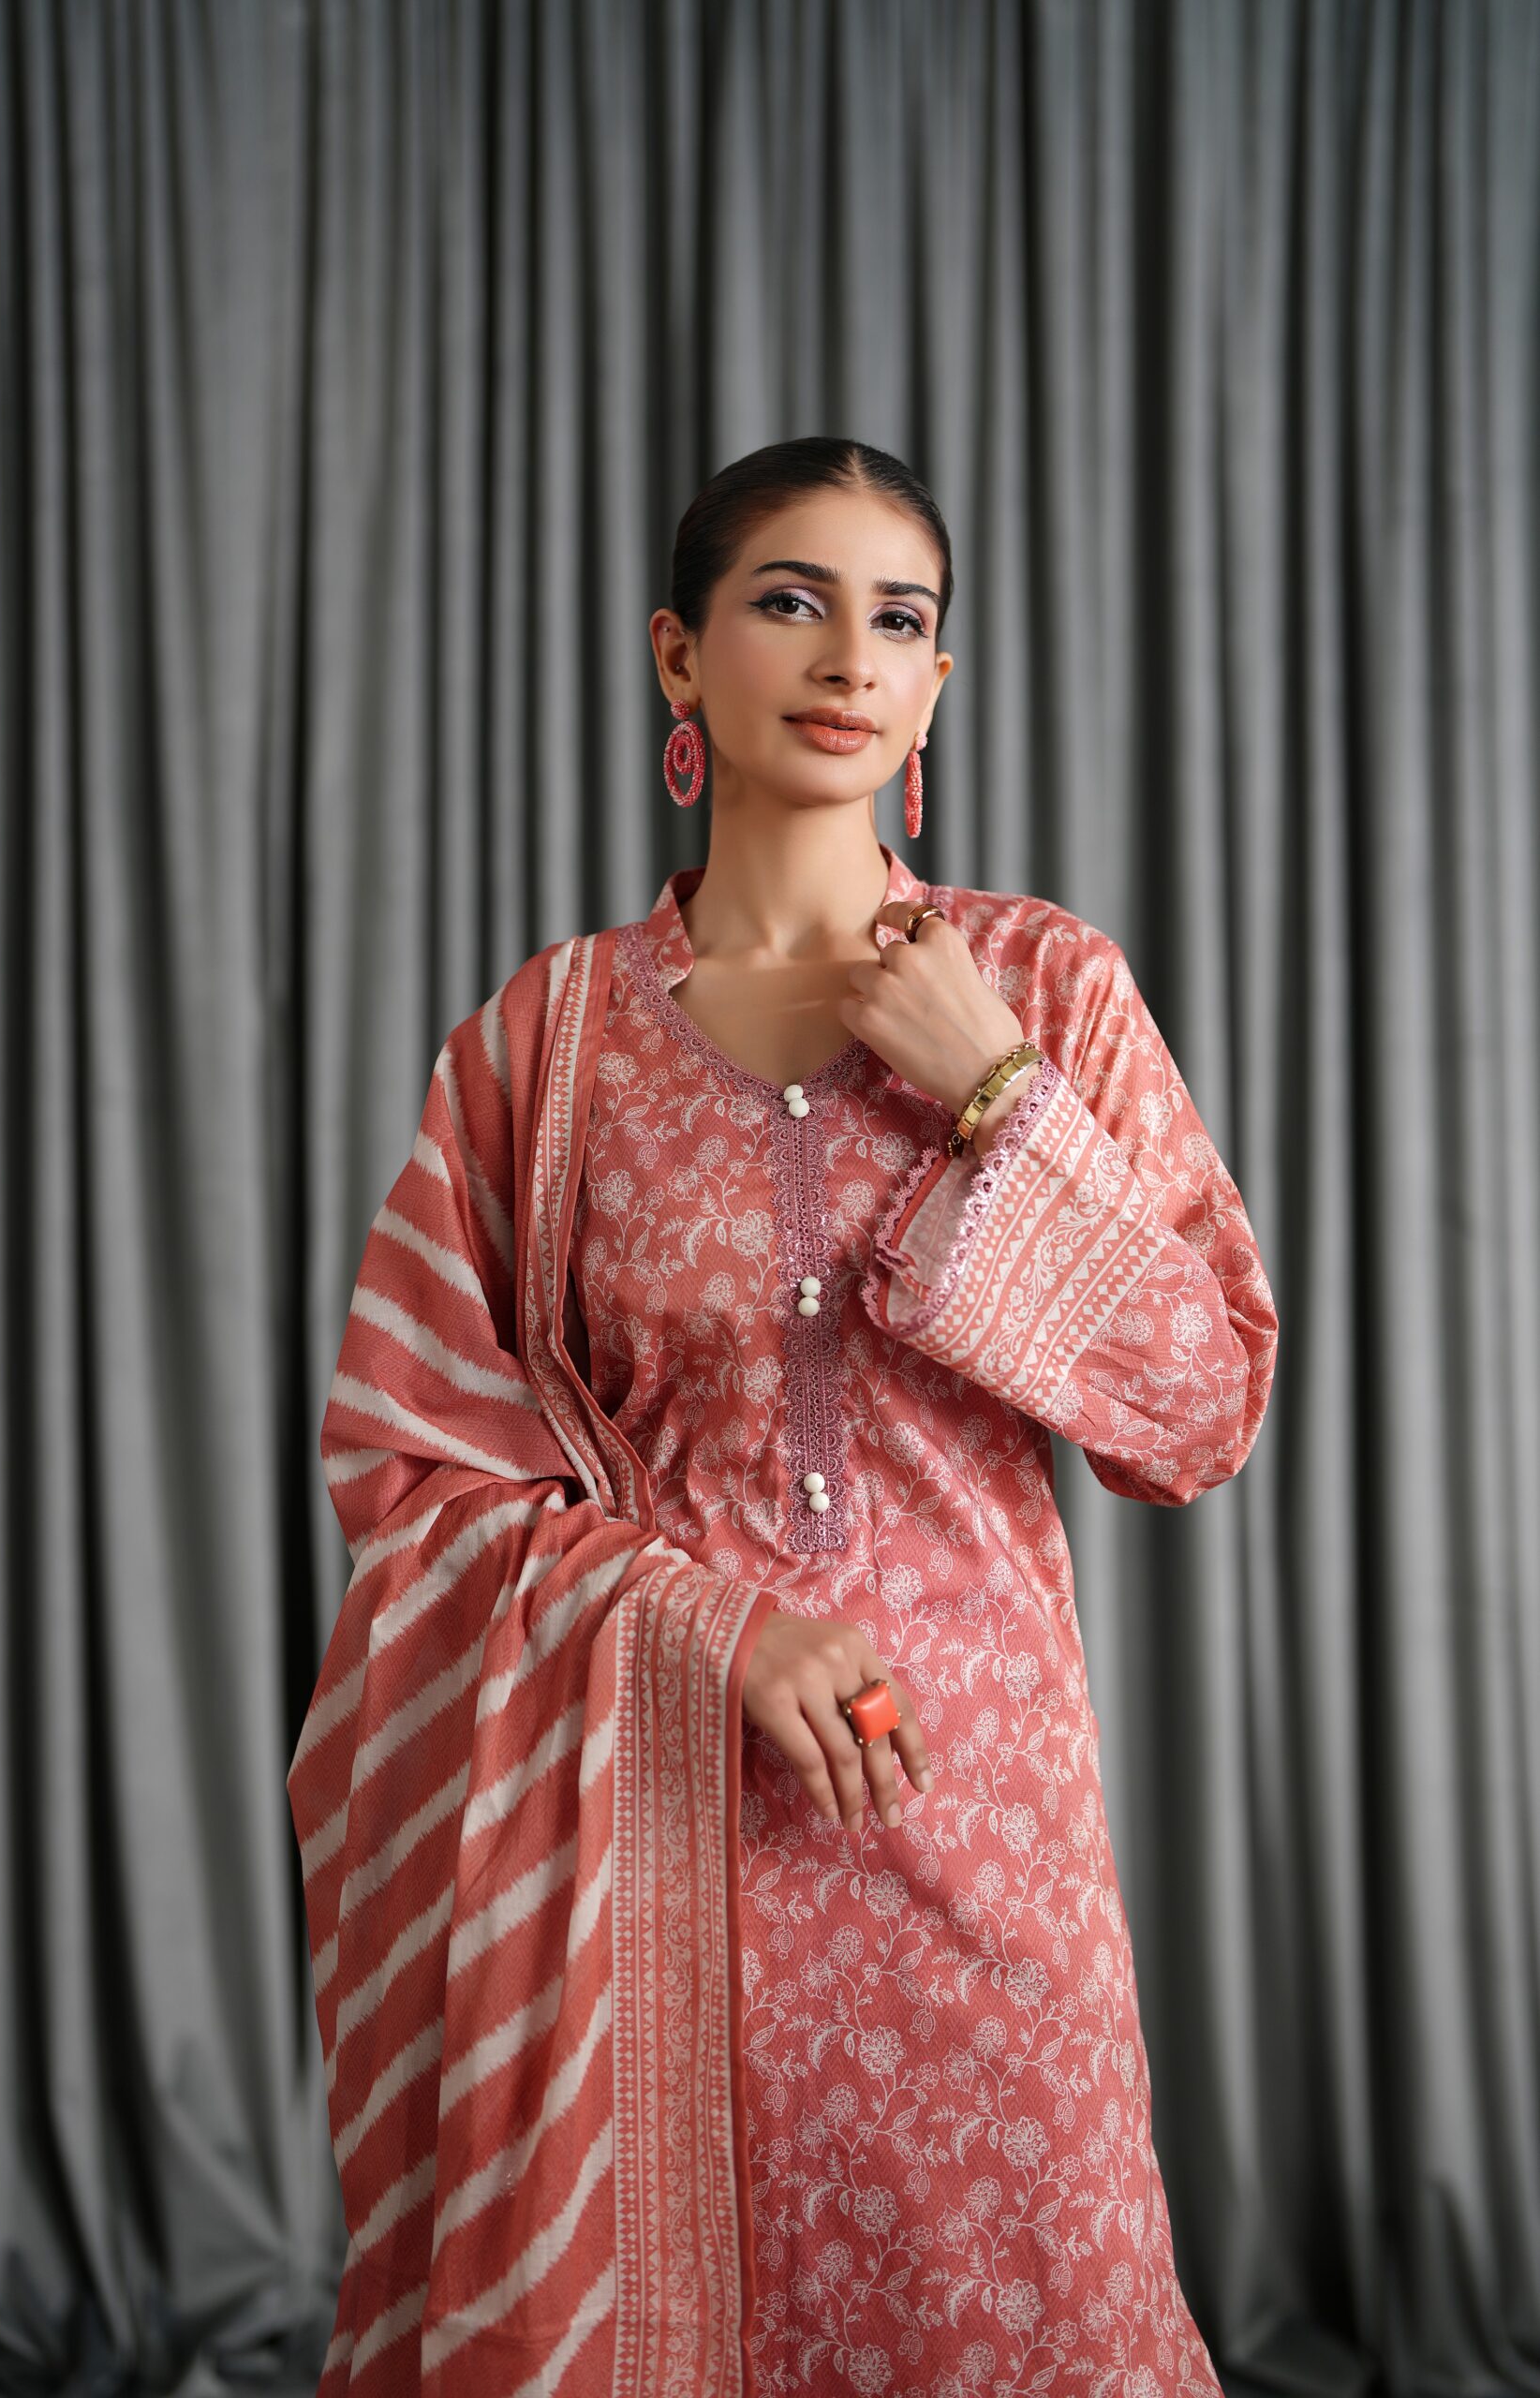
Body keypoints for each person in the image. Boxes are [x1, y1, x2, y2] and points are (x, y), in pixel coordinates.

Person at [288, 436, 1278, 2398]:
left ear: (935, 685)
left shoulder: (1042, 986)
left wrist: (995, 1091)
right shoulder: (543, 1043)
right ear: (678, 655)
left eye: (897, 619)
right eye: (789, 602)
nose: (847, 657)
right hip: (642, 1837)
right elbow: (410, 1466)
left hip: (974, 1825)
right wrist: (712, 1628)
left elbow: (1197, 1408)